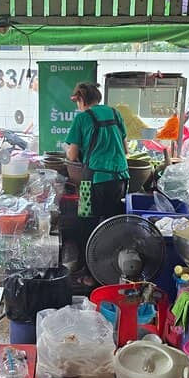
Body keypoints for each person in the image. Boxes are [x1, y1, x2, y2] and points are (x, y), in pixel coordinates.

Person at [64, 82, 129, 284]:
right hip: (120, 178)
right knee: (111, 226)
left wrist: (69, 150)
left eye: (77, 102)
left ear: (81, 100)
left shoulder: (82, 118)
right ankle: (112, 272)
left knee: (86, 226)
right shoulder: (115, 114)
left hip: (92, 180)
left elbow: (72, 155)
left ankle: (90, 275)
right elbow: (125, 149)